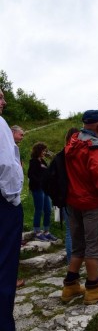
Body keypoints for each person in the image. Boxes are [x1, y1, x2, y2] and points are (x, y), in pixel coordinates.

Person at [61, 110, 98, 305]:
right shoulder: (95, 146)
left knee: (79, 246)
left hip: (74, 201)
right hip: (94, 203)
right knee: (94, 246)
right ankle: (93, 289)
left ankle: (70, 286)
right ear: (97, 125)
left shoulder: (73, 143)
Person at [0, 88, 24, 330]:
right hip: (3, 204)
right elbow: (6, 164)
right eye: (0, 97)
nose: (4, 102)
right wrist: (13, 197)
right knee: (5, 267)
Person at [28, 142, 57, 241]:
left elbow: (48, 173)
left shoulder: (43, 162)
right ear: (38, 151)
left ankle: (46, 231)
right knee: (39, 209)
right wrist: (40, 182)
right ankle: (37, 231)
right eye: (43, 150)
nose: (44, 152)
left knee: (48, 210)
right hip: (37, 188)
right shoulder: (34, 161)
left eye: (45, 150)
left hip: (45, 189)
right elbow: (31, 175)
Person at [11, 125, 25, 288]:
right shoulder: (8, 146)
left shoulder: (14, 148)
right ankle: (9, 278)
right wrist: (12, 197)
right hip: (9, 197)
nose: (22, 136)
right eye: (20, 134)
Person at [62, 127, 79, 264]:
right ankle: (80, 262)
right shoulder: (81, 152)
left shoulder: (62, 154)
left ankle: (70, 263)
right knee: (82, 231)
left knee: (70, 231)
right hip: (81, 196)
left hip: (66, 196)